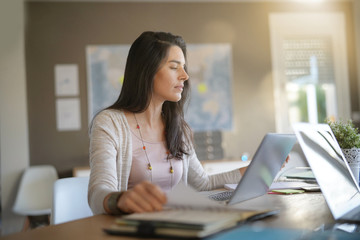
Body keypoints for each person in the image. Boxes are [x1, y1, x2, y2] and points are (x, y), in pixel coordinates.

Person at [88, 31, 247, 215]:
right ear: (147, 70)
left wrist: (250, 171)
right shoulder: (109, 124)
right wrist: (121, 199)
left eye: (184, 67)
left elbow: (203, 183)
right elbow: (97, 194)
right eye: (174, 67)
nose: (185, 76)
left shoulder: (177, 127)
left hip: (177, 224)